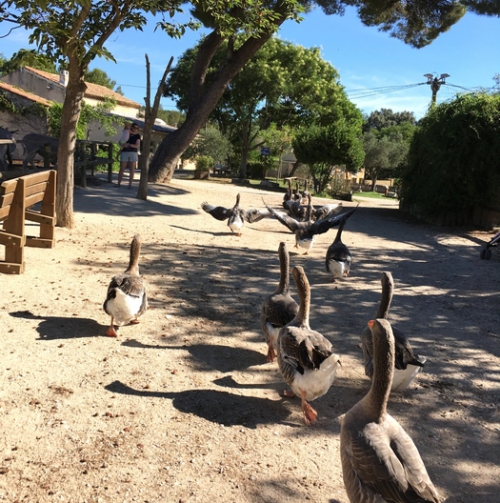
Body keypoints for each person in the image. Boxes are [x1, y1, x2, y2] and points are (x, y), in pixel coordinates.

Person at [117, 123, 141, 188]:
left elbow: (136, 145)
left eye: (137, 128)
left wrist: (129, 145)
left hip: (133, 152)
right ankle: (118, 183)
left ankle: (130, 184)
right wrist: (123, 145)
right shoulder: (127, 133)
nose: (136, 129)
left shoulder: (138, 136)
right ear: (132, 127)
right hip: (124, 152)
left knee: (132, 169)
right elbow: (120, 141)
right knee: (122, 168)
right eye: (134, 127)